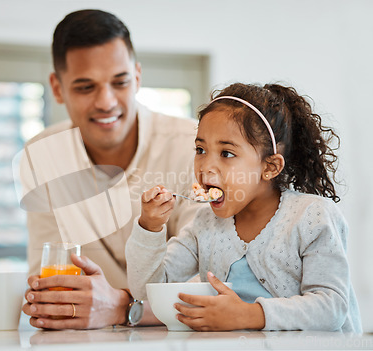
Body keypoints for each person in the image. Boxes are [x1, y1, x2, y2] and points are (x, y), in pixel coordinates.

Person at [126, 82, 362, 332]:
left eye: (226, 153)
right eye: (200, 149)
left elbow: (331, 307)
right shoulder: (204, 224)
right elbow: (147, 290)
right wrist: (149, 228)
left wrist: (249, 315)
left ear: (269, 167)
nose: (205, 166)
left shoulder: (312, 217)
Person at [22, 9, 200, 329]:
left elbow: (208, 280)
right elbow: (49, 283)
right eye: (85, 87)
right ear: (57, 88)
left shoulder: (193, 146)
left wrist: (121, 308)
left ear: (138, 77)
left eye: (120, 82)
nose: (106, 102)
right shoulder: (42, 156)